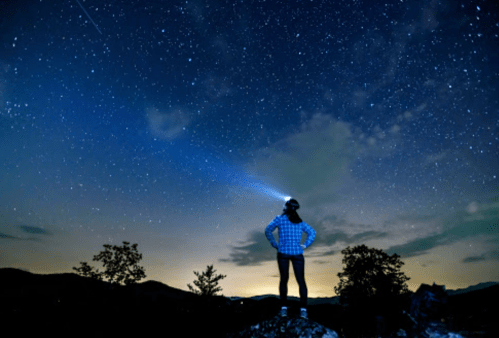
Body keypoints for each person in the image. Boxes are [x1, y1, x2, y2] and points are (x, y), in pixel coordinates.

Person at [265, 198, 316, 319]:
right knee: (301, 281)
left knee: (284, 280)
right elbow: (312, 232)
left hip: (283, 253)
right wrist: (305, 245)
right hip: (297, 254)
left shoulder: (279, 219)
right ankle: (303, 311)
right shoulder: (299, 222)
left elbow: (268, 230)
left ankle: (283, 310)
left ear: (287, 207)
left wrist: (274, 244)